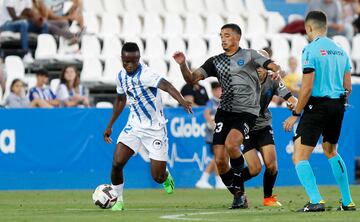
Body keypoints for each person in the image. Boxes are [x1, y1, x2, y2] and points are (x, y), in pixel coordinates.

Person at [173, 23, 284, 209]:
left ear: (237, 37)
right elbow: (192, 78)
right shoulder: (216, 61)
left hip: (247, 112)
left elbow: (270, 64)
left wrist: (276, 69)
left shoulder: (249, 55)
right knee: (220, 161)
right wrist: (183, 64)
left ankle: (239, 194)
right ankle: (239, 194)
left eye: (227, 35)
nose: (223, 39)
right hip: (224, 112)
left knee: (232, 144)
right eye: (221, 36)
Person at [103, 42, 192, 211]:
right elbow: (121, 100)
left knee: (157, 177)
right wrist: (110, 125)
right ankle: (118, 199)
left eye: (133, 61)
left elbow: (167, 86)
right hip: (134, 126)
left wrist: (181, 100)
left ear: (138, 59)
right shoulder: (121, 76)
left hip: (155, 129)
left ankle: (166, 176)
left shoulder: (146, 74)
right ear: (122, 59)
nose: (130, 65)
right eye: (126, 61)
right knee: (117, 163)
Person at [283, 11, 356, 212]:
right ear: (325, 27)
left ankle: (316, 200)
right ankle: (347, 201)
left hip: (317, 106)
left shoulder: (310, 50)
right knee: (331, 151)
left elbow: (306, 88)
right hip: (338, 105)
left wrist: (296, 113)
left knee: (299, 156)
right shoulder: (341, 50)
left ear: (308, 28)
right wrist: (339, 102)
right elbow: (348, 86)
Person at [240, 50, 298, 207]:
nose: (258, 68)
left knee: (272, 166)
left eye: (261, 65)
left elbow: (290, 97)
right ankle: (237, 187)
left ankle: (268, 198)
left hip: (264, 125)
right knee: (254, 169)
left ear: (267, 66)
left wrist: (293, 105)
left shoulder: (273, 80)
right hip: (245, 128)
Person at [195, 81, 226, 189]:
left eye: (220, 90)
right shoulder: (211, 102)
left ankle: (203, 179)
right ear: (213, 91)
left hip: (221, 133)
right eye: (217, 90)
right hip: (213, 135)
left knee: (218, 157)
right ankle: (218, 181)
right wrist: (212, 124)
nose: (219, 92)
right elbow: (206, 113)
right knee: (218, 157)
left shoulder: (223, 101)